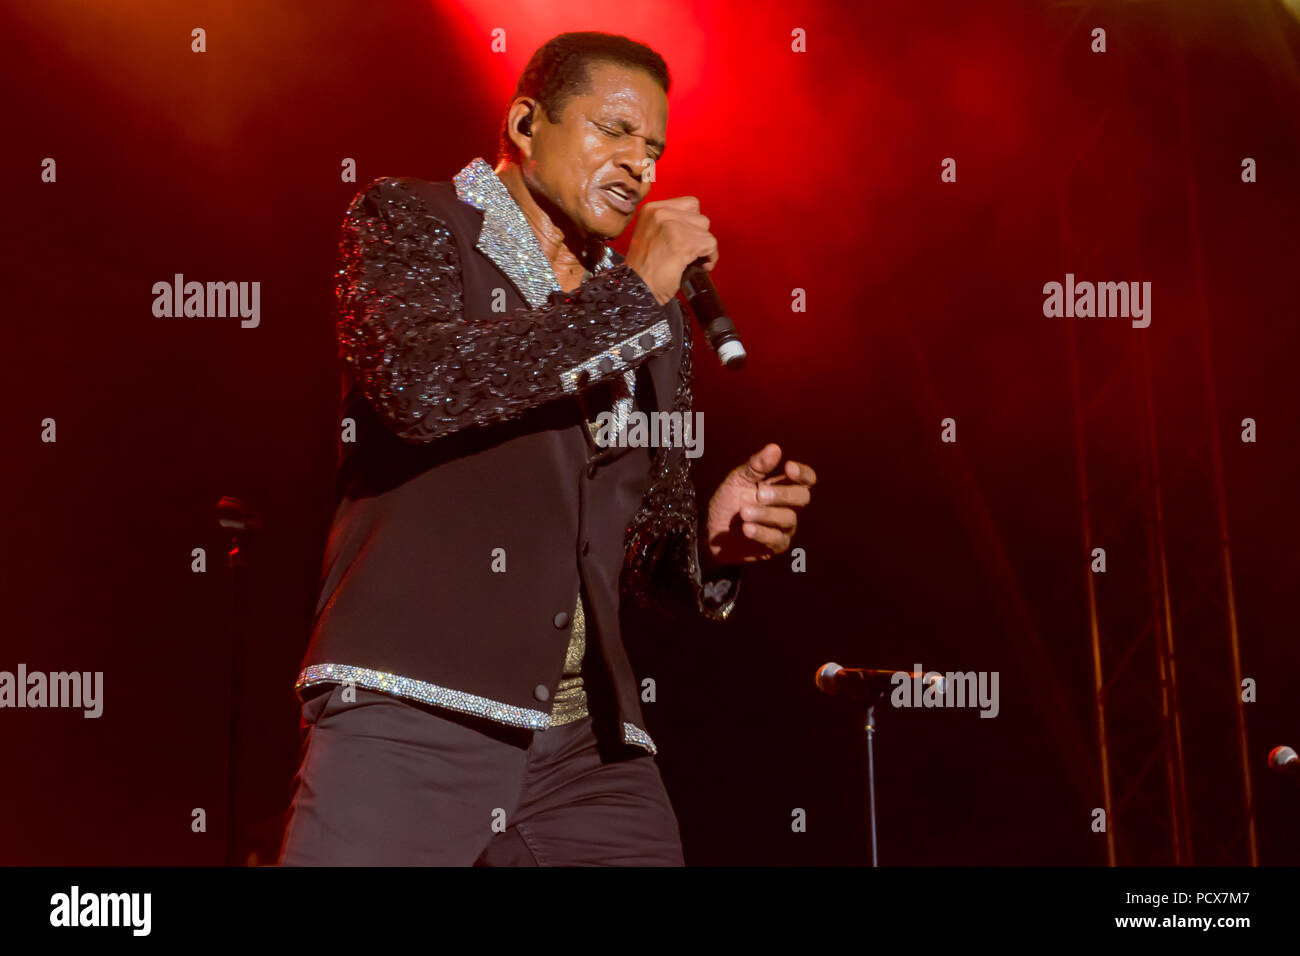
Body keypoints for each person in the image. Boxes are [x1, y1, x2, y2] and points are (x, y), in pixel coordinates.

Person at [278, 30, 816, 866]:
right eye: (613, 130)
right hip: (415, 706)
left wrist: (714, 545)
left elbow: (641, 554)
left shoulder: (651, 316)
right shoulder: (413, 219)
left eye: (655, 148)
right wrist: (633, 296)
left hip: (587, 745)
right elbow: (420, 387)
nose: (639, 165)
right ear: (527, 124)